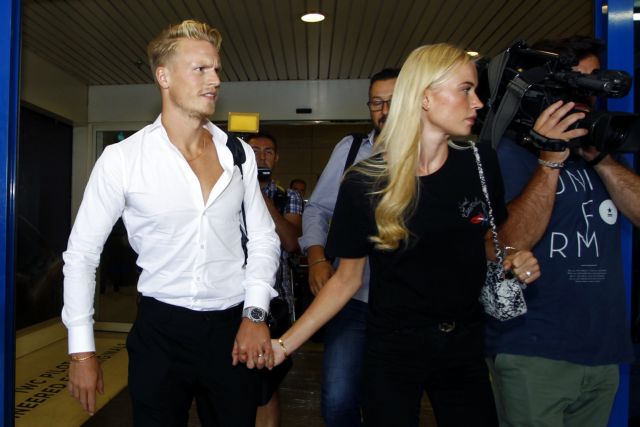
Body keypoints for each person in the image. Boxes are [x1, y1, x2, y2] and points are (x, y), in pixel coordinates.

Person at [271, 43, 540, 427]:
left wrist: (512, 256)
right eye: (466, 89)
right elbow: (346, 280)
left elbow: (487, 242)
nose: (478, 103)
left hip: (464, 346)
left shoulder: (480, 162)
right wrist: (284, 345)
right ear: (425, 98)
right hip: (393, 349)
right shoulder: (365, 183)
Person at [61, 20, 280, 426]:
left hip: (231, 331)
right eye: (200, 69)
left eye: (216, 69)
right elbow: (82, 256)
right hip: (160, 332)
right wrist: (82, 351)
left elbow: (264, 239)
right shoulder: (123, 159)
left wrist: (255, 314)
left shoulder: (238, 154)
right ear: (163, 77)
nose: (215, 80)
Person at [485, 35, 640, 427]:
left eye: (592, 84)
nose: (584, 97)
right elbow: (505, 245)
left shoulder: (600, 153)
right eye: (575, 85)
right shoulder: (509, 152)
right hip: (534, 349)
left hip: (602, 349)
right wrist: (550, 159)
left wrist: (600, 159)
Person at [298, 67, 398, 427]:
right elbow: (318, 209)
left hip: (404, 307)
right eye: (376, 102)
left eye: (392, 101)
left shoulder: (431, 154)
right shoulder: (352, 149)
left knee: (392, 402)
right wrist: (316, 257)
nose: (383, 110)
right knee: (338, 399)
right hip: (351, 300)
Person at [247, 132, 303, 427]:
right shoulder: (229, 191)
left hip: (276, 304)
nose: (261, 157)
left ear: (276, 158)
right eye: (254, 150)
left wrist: (262, 199)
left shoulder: (288, 197)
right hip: (232, 300)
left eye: (268, 151)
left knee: (266, 387)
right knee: (231, 384)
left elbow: (292, 242)